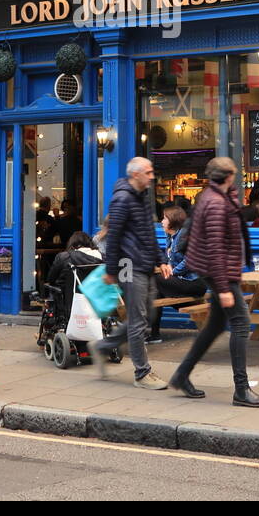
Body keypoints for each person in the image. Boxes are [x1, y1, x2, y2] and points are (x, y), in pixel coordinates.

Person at [169, 156, 259, 407]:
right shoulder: (215, 202)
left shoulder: (218, 196)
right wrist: (223, 287)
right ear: (227, 176)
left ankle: (181, 375)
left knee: (214, 326)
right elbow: (214, 247)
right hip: (219, 272)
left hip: (219, 271)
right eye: (234, 173)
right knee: (241, 323)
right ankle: (241, 390)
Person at [94, 157, 168, 390]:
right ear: (136, 175)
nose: (152, 176)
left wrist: (162, 259)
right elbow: (113, 236)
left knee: (148, 317)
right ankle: (142, 373)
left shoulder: (143, 198)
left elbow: (149, 233)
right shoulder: (122, 199)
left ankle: (103, 346)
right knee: (138, 321)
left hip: (146, 265)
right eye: (148, 172)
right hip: (130, 266)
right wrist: (111, 270)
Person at [149, 205, 207, 342]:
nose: (161, 221)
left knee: (155, 280)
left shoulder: (185, 236)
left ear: (173, 220)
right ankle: (154, 334)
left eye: (164, 218)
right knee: (156, 292)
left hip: (194, 283)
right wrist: (168, 267)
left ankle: (151, 331)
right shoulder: (170, 237)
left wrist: (172, 271)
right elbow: (171, 260)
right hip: (182, 280)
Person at [47, 230, 104, 323]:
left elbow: (51, 278)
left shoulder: (63, 257)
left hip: (69, 304)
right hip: (95, 303)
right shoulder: (101, 257)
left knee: (52, 288)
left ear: (72, 244)